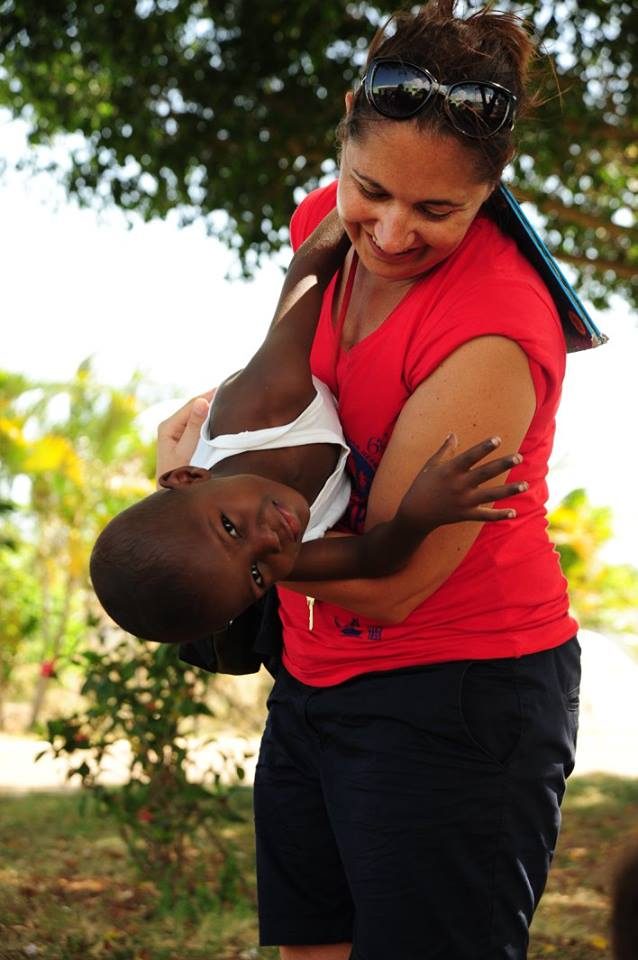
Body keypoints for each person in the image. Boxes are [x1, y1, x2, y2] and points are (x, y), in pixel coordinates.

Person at [156, 3, 582, 957]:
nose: (388, 232)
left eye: (436, 211)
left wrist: (223, 547)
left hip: (456, 690)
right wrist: (213, 447)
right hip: (314, 672)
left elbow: (393, 583)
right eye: (371, 190)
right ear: (347, 124)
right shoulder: (322, 223)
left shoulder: (492, 327)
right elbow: (290, 383)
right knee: (311, 945)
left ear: (491, 189)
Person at [90, 210, 524, 646]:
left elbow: (308, 271)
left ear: (189, 476)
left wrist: (361, 203)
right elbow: (373, 556)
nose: (268, 541)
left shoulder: (260, 405)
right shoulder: (278, 555)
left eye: (230, 527)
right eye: (257, 576)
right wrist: (417, 516)